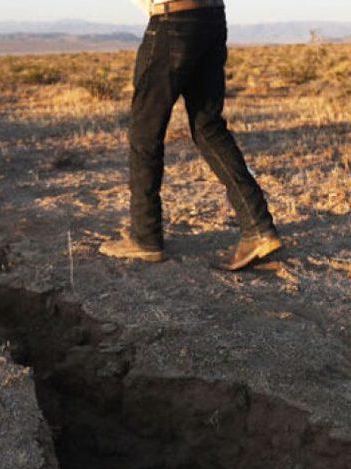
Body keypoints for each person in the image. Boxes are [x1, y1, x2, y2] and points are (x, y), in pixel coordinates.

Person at [101, 0, 283, 271]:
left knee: (145, 131)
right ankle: (258, 227)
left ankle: (145, 237)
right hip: (211, 17)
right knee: (208, 127)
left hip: (172, 18)